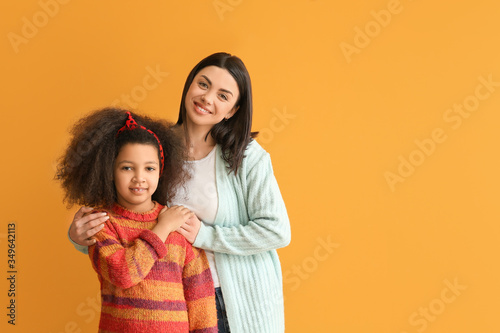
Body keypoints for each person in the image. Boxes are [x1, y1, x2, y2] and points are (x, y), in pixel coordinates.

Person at [68, 53, 291, 332]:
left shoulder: (247, 157)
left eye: (223, 96)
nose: (208, 98)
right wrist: (80, 238)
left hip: (237, 299)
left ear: (233, 110)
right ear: (189, 86)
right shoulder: (154, 148)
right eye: (203, 84)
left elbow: (277, 230)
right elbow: (127, 215)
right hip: (170, 303)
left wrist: (203, 235)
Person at [57, 108, 217, 332]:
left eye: (149, 168)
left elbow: (200, 296)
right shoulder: (102, 224)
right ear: (110, 171)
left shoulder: (178, 221)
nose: (139, 178)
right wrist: (162, 228)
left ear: (160, 171)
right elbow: (123, 273)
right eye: (127, 167)